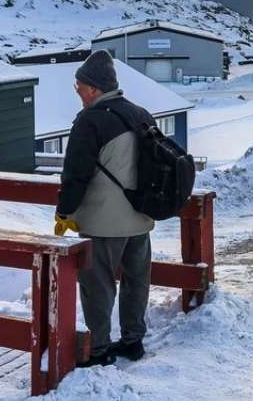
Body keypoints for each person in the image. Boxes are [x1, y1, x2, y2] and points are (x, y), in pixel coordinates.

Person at [55, 50, 156, 366]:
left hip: (103, 222)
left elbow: (75, 175)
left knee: (97, 287)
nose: (77, 92)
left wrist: (64, 213)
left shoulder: (90, 121)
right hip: (140, 217)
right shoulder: (140, 113)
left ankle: (97, 349)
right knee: (135, 282)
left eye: (79, 87)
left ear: (94, 88)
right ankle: (132, 341)